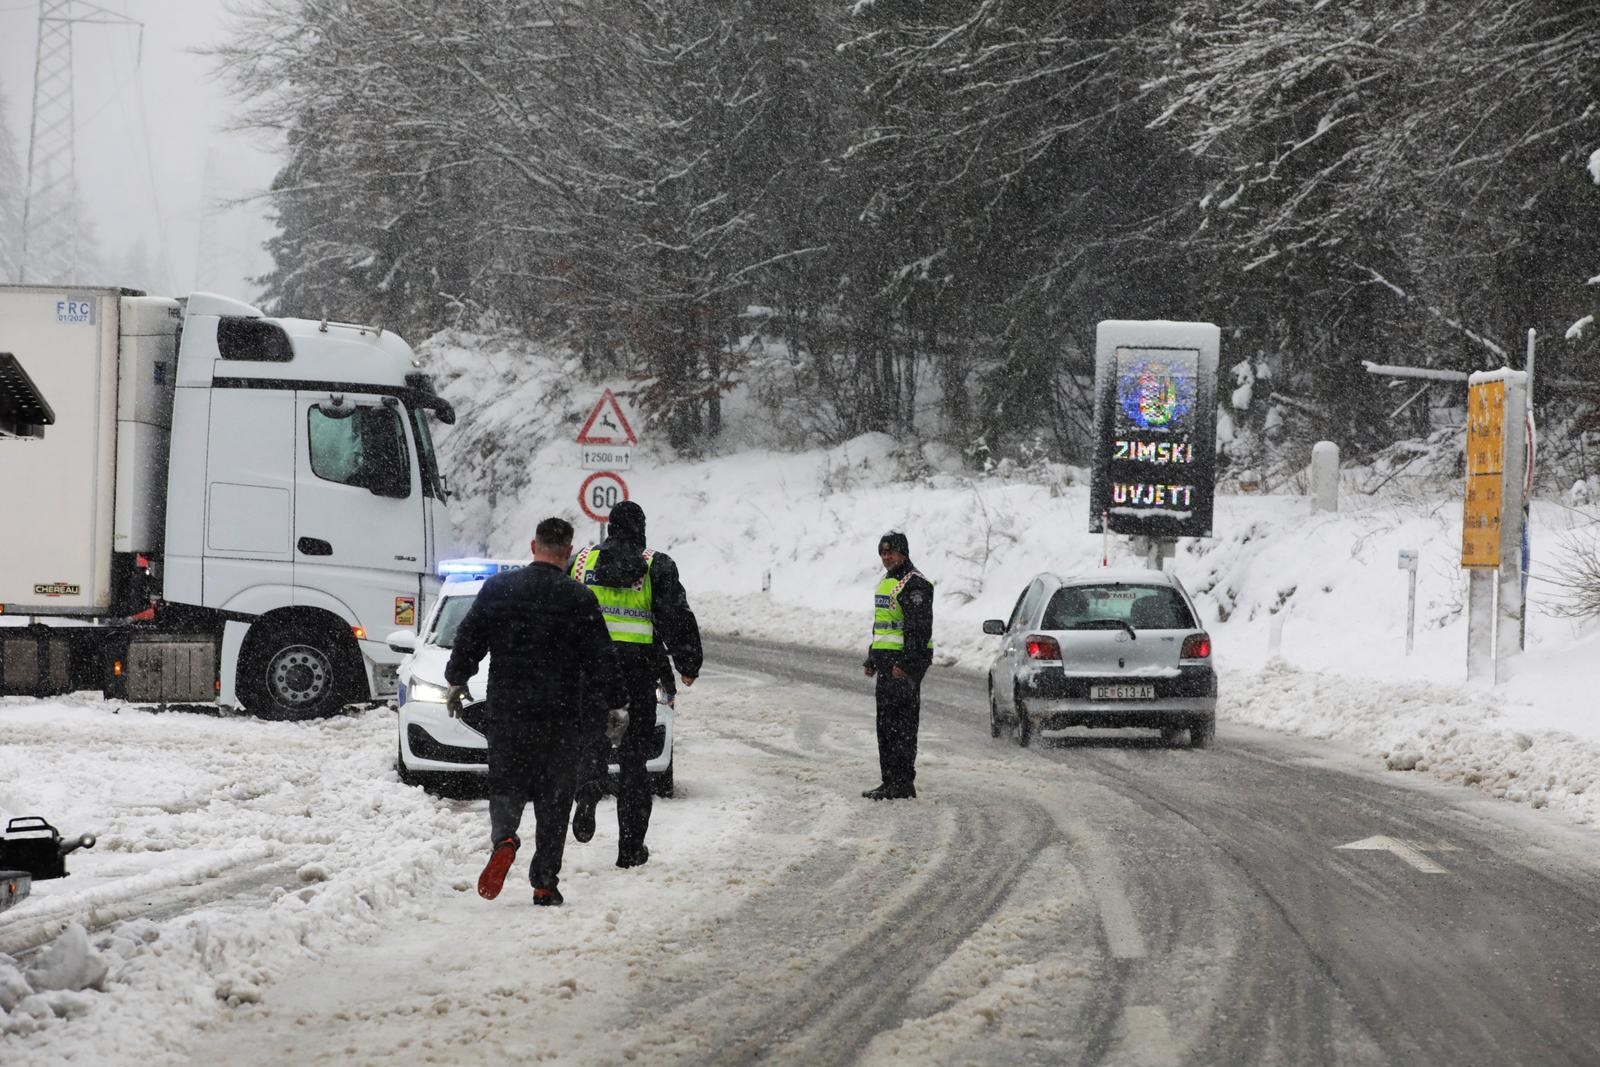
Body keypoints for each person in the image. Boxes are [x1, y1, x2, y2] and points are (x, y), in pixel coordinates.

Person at [444, 516, 623, 907]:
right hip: (560, 715)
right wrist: (615, 702)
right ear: (568, 552)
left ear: (533, 546)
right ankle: (544, 883)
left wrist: (457, 679)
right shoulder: (578, 597)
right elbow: (601, 658)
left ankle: (505, 839)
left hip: (508, 711)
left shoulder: (499, 589)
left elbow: (469, 637)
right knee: (554, 799)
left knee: (506, 785)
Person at [569, 500, 702, 868]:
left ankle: (587, 792)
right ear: (641, 529)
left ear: (610, 527)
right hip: (637, 674)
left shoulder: (582, 561)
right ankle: (630, 849)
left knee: (590, 743)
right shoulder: (656, 564)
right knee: (634, 763)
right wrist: (688, 663)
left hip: (590, 672)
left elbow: (562, 614)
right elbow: (675, 617)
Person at [862, 530, 934, 800]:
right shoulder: (887, 582)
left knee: (902, 726)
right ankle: (889, 780)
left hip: (904, 665)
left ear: (903, 553)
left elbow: (919, 629)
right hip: (887, 662)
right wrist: (873, 657)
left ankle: (903, 782)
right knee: (886, 725)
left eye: (890, 552)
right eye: (882, 553)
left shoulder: (915, 584)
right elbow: (883, 625)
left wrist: (907, 663)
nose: (886, 557)